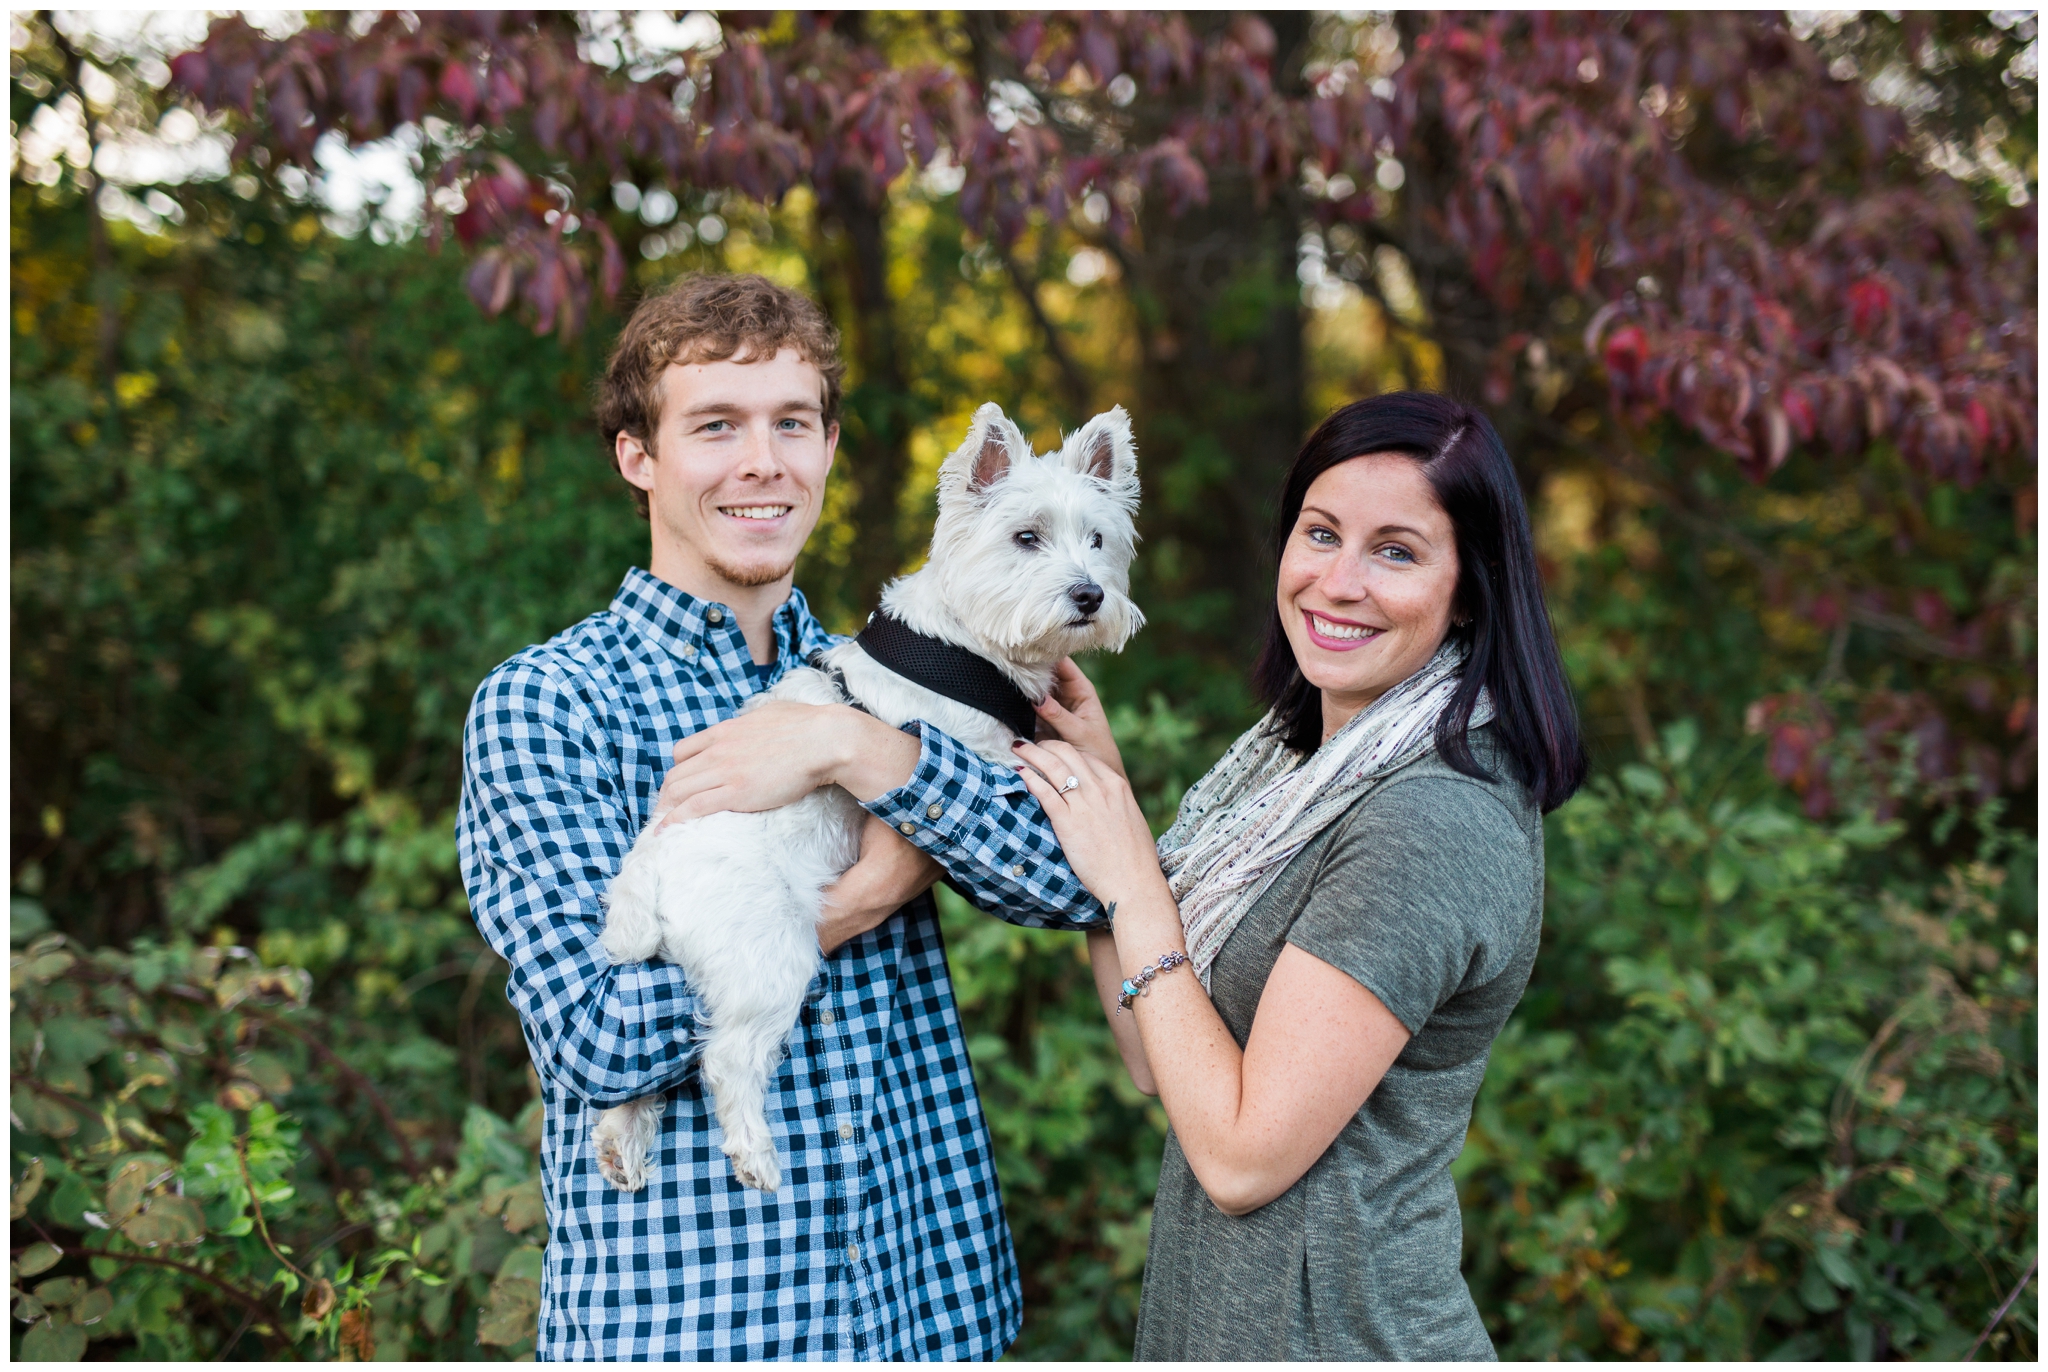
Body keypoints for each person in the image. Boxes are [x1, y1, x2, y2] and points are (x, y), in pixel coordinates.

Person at [455, 273, 1104, 1360]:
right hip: (698, 1327)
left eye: (790, 424)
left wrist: (858, 749)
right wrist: (857, 899)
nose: (761, 462)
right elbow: (592, 1043)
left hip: (926, 1311)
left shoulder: (903, 673)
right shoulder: (553, 702)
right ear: (637, 456)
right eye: (715, 426)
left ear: (828, 448)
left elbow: (1076, 879)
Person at [1013, 391, 1587, 1359]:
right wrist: (1105, 803)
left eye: (1395, 551)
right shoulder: (1295, 774)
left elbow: (1240, 1158)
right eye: (1319, 534)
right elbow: (1161, 1058)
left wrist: (1133, 882)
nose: (1338, 580)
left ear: (1470, 588)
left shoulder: (1429, 817)